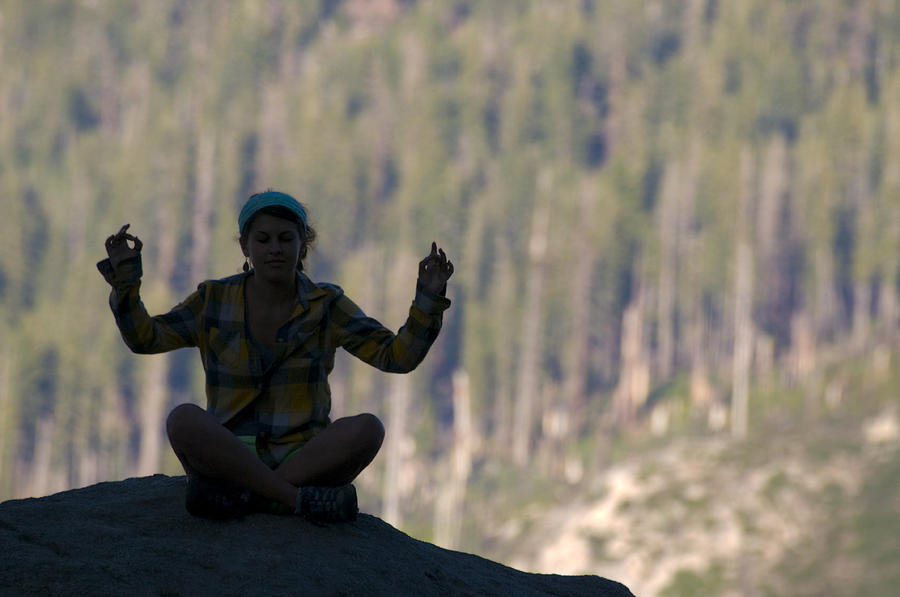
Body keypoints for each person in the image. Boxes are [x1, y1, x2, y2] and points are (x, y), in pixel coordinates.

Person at [98, 190, 453, 521]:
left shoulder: (326, 304)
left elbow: (396, 358)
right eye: (263, 240)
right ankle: (294, 500)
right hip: (229, 453)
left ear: (303, 246)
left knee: (367, 429)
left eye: (286, 239)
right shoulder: (214, 300)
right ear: (245, 247)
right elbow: (146, 339)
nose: (275, 249)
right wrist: (126, 283)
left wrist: (428, 299)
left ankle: (247, 497)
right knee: (183, 420)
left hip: (303, 457)